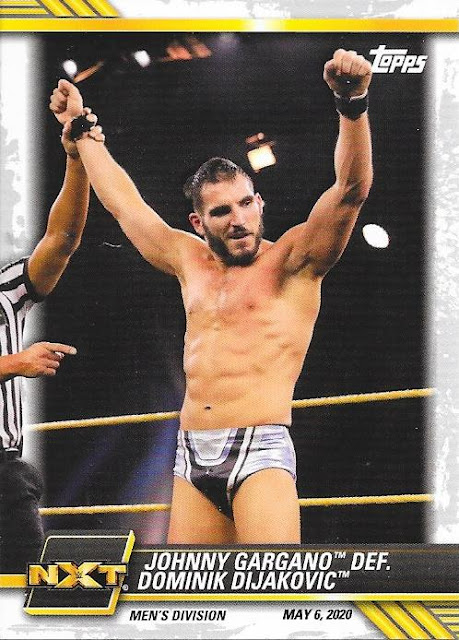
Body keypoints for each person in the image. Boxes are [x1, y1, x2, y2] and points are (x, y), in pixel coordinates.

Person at [50, 48, 373, 544]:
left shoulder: (294, 260)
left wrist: (352, 105)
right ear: (198, 223)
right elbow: (125, 205)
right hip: (190, 453)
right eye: (222, 212)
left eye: (245, 204)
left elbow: (350, 190)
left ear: (259, 203)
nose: (238, 219)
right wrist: (82, 132)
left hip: (259, 449)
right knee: (190, 588)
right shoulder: (188, 260)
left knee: (273, 581)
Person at [0, 109, 103, 573]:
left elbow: (62, 238)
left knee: (26, 588)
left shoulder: (6, 291)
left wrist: (76, 159)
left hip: (4, 476)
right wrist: (13, 363)